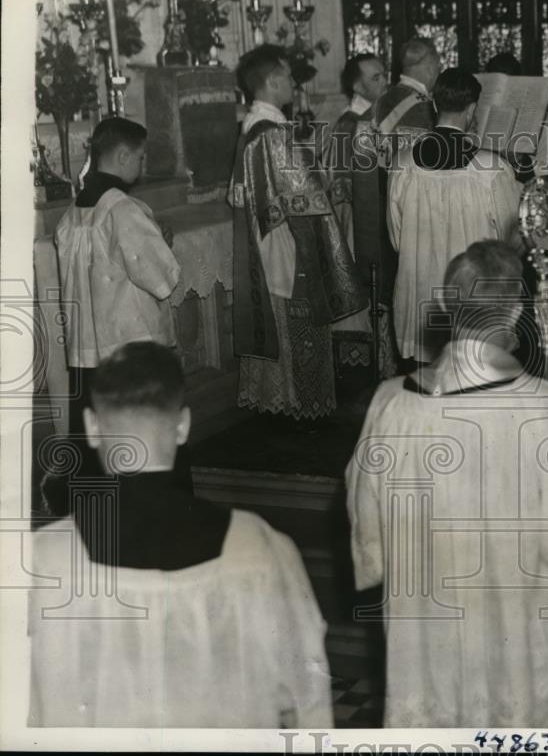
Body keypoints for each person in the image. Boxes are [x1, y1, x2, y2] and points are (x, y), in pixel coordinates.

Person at [346, 241, 548, 727]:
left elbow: (365, 520)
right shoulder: (547, 405)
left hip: (425, 629)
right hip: (519, 631)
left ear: (449, 306)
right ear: (516, 309)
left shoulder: (391, 401)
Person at [28, 342, 332, 727]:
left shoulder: (46, 557)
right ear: (183, 425)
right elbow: (307, 702)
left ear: (91, 427)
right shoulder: (259, 547)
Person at [230, 44, 367, 420]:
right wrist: (330, 182)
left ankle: (283, 401)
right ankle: (304, 407)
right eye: (289, 77)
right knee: (301, 327)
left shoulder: (253, 127)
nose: (294, 83)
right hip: (289, 246)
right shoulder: (272, 133)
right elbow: (305, 194)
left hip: (270, 240)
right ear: (274, 82)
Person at [54, 117, 180, 440]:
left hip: (87, 353)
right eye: (140, 157)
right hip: (128, 351)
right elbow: (161, 278)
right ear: (123, 157)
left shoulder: (73, 212)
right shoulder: (121, 209)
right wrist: (163, 244)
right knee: (142, 447)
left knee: (99, 450)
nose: (142, 163)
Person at [387, 68, 522, 362]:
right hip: (471, 300)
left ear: (435, 105)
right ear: (473, 109)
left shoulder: (403, 164)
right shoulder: (492, 169)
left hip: (420, 303)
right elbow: (508, 245)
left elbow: (397, 239)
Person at [352, 37, 441, 365]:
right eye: (438, 65)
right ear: (430, 65)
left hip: (380, 211)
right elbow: (426, 171)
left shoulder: (383, 98)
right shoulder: (419, 105)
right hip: (412, 214)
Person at [327, 54, 396, 378]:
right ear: (357, 85)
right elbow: (340, 185)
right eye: (375, 78)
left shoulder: (380, 116)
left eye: (384, 75)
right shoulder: (351, 123)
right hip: (359, 227)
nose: (384, 82)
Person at [340, 52, 389, 117]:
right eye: (376, 79)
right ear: (358, 88)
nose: (385, 82)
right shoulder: (353, 120)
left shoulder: (382, 107)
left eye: (385, 75)